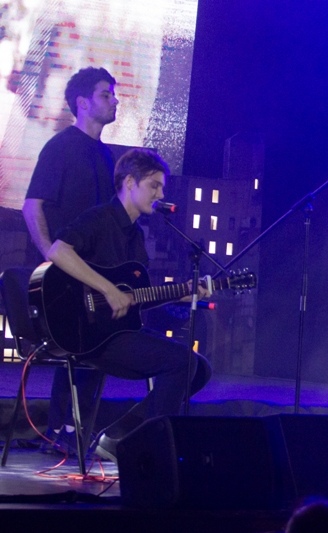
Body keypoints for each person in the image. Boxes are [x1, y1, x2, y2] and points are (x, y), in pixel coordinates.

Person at [45, 148, 212, 463]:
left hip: (119, 332)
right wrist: (108, 289)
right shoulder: (99, 218)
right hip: (88, 334)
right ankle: (147, 450)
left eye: (162, 187)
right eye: (154, 185)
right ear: (130, 182)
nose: (161, 194)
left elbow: (134, 298)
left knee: (200, 368)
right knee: (183, 362)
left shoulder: (136, 237)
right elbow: (58, 251)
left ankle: (120, 436)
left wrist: (182, 293)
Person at [22, 66, 118, 454]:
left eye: (113, 93)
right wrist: (51, 254)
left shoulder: (107, 155)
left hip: (96, 273)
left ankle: (71, 435)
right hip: (63, 273)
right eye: (105, 94)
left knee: (93, 350)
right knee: (77, 347)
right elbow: (32, 207)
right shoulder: (60, 147)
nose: (114, 100)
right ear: (83, 102)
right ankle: (62, 433)